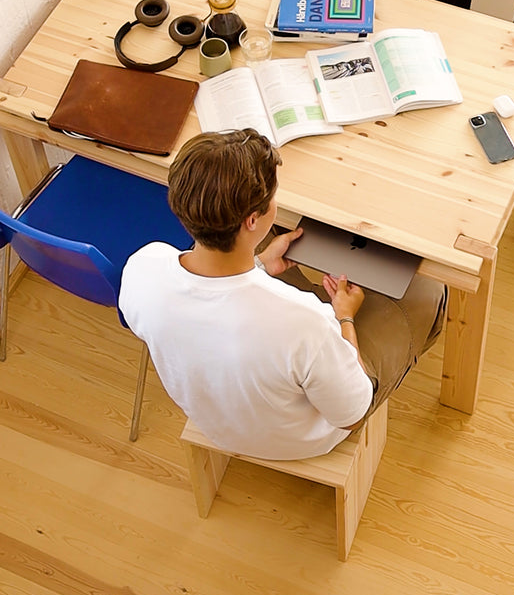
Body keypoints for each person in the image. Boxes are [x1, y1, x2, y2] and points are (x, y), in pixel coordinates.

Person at [119, 128, 445, 460]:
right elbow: (352, 414)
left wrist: (259, 265)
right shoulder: (307, 322)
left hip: (214, 421)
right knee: (427, 291)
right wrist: (345, 317)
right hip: (298, 439)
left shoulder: (142, 267)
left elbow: (207, 319)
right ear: (252, 220)